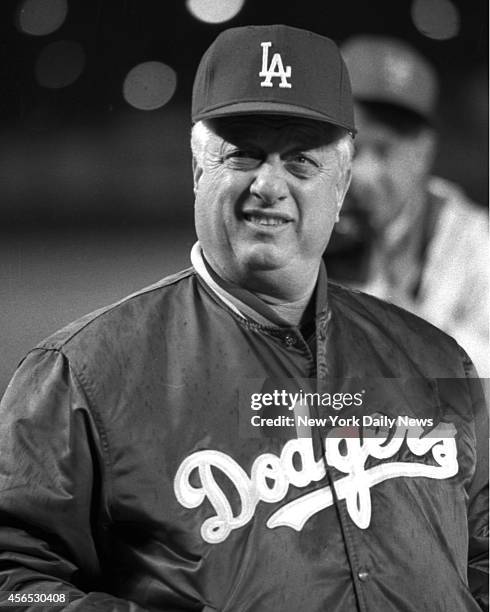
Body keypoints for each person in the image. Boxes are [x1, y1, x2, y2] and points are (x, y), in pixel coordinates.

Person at [0, 25, 487, 612]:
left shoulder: (434, 356)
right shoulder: (82, 375)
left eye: (302, 160)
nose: (269, 185)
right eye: (243, 152)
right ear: (198, 168)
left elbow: (480, 551)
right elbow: (16, 582)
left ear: (342, 184)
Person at [325, 35, 489, 377]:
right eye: (352, 147)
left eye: (385, 150)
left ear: (423, 152)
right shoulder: (293, 219)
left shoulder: (473, 243)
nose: (366, 173)